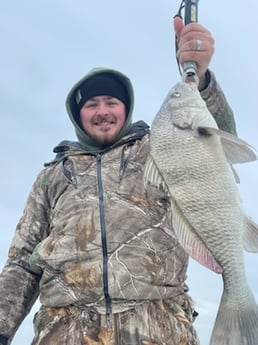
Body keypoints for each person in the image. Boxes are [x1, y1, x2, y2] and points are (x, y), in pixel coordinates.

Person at [0, 16, 236, 345]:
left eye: (112, 102)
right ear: (77, 113)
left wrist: (203, 80)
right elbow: (23, 262)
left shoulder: (160, 151)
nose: (103, 111)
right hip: (64, 332)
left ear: (125, 109)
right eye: (92, 104)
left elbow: (216, 141)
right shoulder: (51, 177)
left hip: (158, 330)